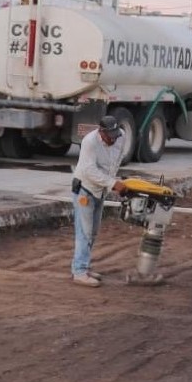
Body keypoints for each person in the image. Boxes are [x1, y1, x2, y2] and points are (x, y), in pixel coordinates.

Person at [70, 115, 127, 288]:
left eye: (115, 135)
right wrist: (112, 184)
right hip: (84, 190)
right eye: (110, 136)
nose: (113, 139)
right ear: (101, 132)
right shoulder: (90, 142)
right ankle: (79, 272)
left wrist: (114, 184)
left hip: (100, 190)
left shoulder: (121, 137)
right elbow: (89, 171)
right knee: (84, 232)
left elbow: (115, 162)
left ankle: (84, 266)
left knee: (93, 232)